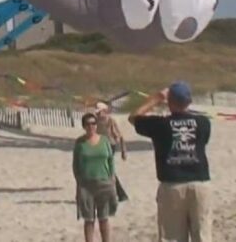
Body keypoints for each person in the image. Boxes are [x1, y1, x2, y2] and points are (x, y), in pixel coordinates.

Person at [129, 82, 212, 242]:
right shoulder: (203, 122)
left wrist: (156, 99)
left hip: (172, 184)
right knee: (202, 235)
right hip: (200, 182)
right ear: (189, 101)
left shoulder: (161, 124)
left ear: (170, 101)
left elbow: (134, 117)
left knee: (172, 236)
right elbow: (203, 141)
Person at [73, 111, 118, 242]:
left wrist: (112, 177)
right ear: (83, 126)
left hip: (104, 183)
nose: (91, 126)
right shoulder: (80, 143)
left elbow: (110, 160)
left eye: (93, 123)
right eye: (88, 124)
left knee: (104, 218)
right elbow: (75, 164)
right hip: (86, 185)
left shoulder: (104, 140)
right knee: (89, 219)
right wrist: (79, 181)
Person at [95, 102, 129, 202]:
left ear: (105, 111)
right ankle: (118, 194)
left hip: (110, 146)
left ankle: (118, 194)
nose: (98, 114)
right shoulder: (95, 122)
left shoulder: (110, 121)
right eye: (97, 113)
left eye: (99, 112)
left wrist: (124, 151)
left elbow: (120, 136)